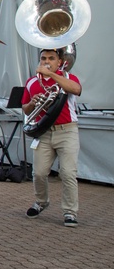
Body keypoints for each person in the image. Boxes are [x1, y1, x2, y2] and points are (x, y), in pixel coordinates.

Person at [22, 47, 83, 227]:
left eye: (51, 58)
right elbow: (25, 108)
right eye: (43, 58)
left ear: (59, 61)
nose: (46, 61)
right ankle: (41, 202)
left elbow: (77, 89)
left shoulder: (68, 78)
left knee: (68, 173)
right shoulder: (32, 82)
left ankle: (70, 212)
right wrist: (33, 103)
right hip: (44, 132)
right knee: (39, 172)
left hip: (67, 130)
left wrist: (53, 75)